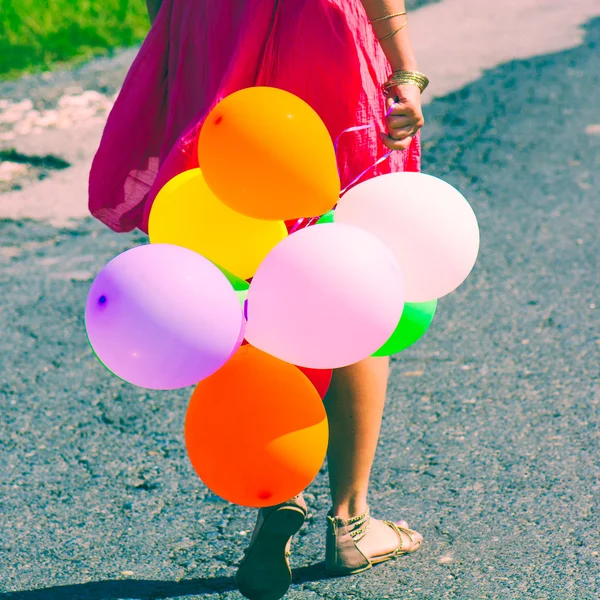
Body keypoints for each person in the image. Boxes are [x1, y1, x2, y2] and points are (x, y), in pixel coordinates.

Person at [89, 1, 426, 598]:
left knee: (236, 251)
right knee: (347, 259)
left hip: (206, 25)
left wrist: (178, 38)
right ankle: (351, 521)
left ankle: (281, 485)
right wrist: (405, 70)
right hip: (315, 28)